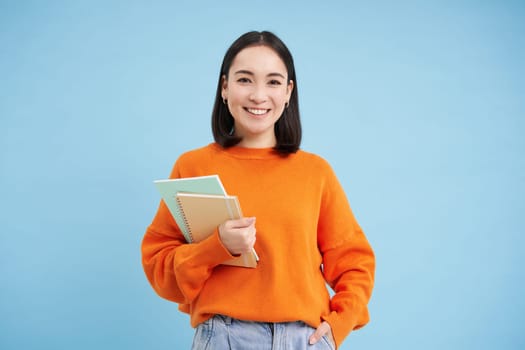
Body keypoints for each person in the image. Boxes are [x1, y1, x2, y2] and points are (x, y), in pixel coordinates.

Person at [141, 30, 375, 350]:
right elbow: (159, 268)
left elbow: (355, 262)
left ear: (289, 92)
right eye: (245, 79)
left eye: (274, 82)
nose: (258, 95)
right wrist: (217, 246)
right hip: (224, 336)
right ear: (224, 87)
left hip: (303, 339)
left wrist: (340, 323)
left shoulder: (315, 172)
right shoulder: (193, 166)